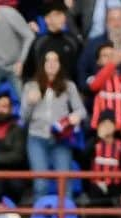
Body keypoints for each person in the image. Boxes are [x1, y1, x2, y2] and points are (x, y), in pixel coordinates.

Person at [21, 49, 86, 200]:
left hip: (61, 139)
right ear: (42, 64)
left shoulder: (69, 86)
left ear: (60, 64)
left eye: (55, 60)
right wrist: (30, 103)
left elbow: (81, 111)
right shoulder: (31, 86)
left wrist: (73, 117)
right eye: (48, 60)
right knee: (40, 184)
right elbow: (23, 118)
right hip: (36, 138)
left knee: (64, 183)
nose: (51, 64)